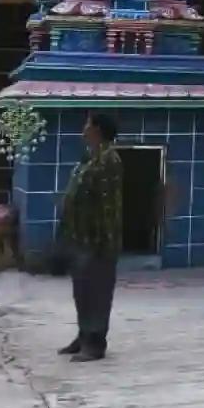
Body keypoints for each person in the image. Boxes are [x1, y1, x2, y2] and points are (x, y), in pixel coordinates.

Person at [57, 112, 122, 362]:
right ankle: (84, 335)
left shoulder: (109, 160)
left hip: (97, 240)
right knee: (82, 291)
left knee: (97, 293)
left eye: (87, 124)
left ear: (97, 129)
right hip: (80, 237)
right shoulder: (89, 157)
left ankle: (95, 343)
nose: (83, 129)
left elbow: (108, 205)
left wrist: (103, 243)